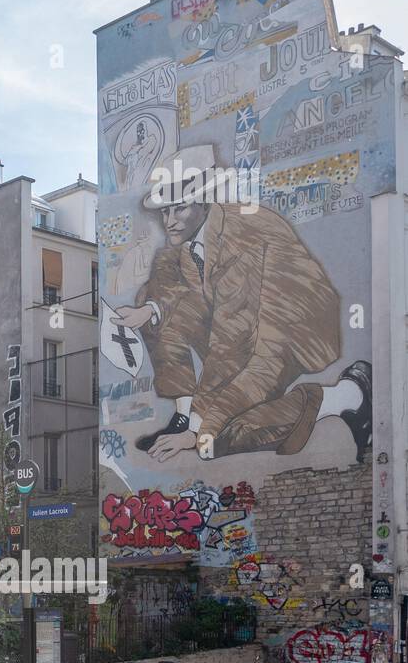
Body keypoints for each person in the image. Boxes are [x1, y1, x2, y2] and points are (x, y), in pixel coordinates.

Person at [112, 149, 370, 464]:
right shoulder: (186, 242)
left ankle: (347, 395)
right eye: (165, 212)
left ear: (204, 202)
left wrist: (198, 429)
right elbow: (173, 289)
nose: (169, 222)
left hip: (291, 331)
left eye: (179, 209)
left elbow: (231, 345)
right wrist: (150, 311)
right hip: (238, 325)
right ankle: (184, 412)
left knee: (212, 439)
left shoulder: (241, 239)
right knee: (150, 301)